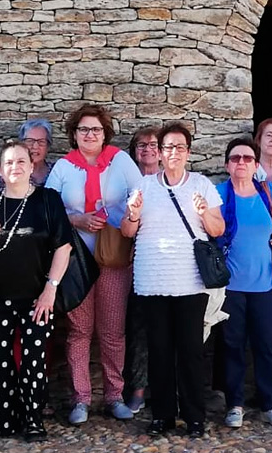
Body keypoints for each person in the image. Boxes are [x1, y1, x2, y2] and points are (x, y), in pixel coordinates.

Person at [120, 123, 226, 438]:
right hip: (152, 282)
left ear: (188, 153)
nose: (173, 153)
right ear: (160, 153)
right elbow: (127, 231)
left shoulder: (202, 185)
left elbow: (217, 229)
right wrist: (134, 213)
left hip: (190, 283)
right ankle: (163, 415)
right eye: (168, 147)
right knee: (159, 351)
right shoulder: (144, 185)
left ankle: (195, 417)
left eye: (179, 147)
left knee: (192, 352)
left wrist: (205, 212)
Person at [0, 140, 74, 441]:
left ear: (31, 167)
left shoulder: (48, 201)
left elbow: (63, 248)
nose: (15, 167)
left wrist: (50, 290)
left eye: (21, 161)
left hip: (36, 297)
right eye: (9, 163)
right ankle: (7, 419)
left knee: (34, 361)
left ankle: (33, 420)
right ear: (1, 170)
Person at [45, 104, 142, 424]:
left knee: (113, 332)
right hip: (75, 262)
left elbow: (140, 195)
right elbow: (48, 211)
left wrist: (126, 212)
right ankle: (81, 399)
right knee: (78, 331)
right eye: (84, 129)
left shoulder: (121, 161)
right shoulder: (63, 167)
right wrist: (77, 219)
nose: (90, 135)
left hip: (114, 258)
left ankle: (114, 395)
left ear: (105, 133)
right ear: (74, 134)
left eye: (96, 129)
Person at [216, 139, 272, 429]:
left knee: (267, 345)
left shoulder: (268, 192)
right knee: (232, 345)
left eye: (247, 158)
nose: (241, 162)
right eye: (235, 158)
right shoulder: (218, 195)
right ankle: (235, 404)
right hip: (230, 287)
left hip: (266, 285)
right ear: (227, 164)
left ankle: (270, 403)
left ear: (255, 165)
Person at [123, 125, 160, 412]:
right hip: (133, 264)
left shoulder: (172, 181)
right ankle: (136, 387)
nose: (147, 150)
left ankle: (163, 388)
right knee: (136, 329)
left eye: (153, 145)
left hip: (169, 265)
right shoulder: (129, 184)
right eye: (141, 146)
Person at [19, 118, 55, 186]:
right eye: (30, 141)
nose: (35, 146)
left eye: (41, 141)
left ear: (48, 146)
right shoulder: (13, 173)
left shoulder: (57, 171)